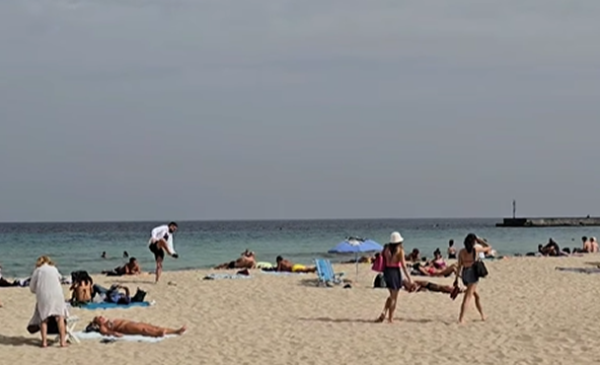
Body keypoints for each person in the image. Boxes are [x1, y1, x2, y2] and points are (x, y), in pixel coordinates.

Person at [28, 256, 69, 347]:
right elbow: (60, 279)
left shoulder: (37, 271)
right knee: (60, 317)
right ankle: (62, 341)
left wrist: (37, 290)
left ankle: (44, 342)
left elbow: (32, 287)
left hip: (43, 296)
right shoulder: (54, 269)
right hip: (56, 294)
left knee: (43, 319)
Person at [454, 233, 492, 324]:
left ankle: (483, 315)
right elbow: (489, 247)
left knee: (476, 296)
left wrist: (456, 279)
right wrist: (480, 240)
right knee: (467, 297)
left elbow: (459, 266)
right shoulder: (475, 249)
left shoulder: (461, 252)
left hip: (465, 274)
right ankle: (461, 318)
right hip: (472, 273)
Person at [375, 232, 412, 323]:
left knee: (391, 296)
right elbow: (403, 265)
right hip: (395, 272)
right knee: (394, 297)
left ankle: (384, 311)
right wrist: (409, 278)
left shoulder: (386, 249)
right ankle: (390, 318)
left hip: (387, 271)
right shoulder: (400, 250)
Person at [91, 316, 186, 337]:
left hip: (130, 322)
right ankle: (157, 334)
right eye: (99, 318)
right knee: (143, 330)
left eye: (101, 316)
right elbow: (107, 332)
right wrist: (115, 334)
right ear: (97, 322)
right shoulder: (102, 327)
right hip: (126, 327)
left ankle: (176, 331)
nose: (101, 317)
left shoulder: (107, 321)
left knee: (155, 326)